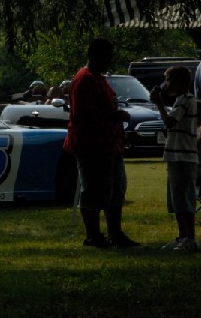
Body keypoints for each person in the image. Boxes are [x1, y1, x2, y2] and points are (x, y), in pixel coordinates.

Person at [64, 38, 140, 248]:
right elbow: (82, 115)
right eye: (106, 56)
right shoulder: (84, 79)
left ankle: (115, 233)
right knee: (94, 190)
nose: (109, 61)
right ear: (95, 56)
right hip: (92, 145)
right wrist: (114, 115)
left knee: (116, 188)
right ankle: (93, 235)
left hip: (109, 144)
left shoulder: (98, 78)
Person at [150, 66, 201, 252]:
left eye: (170, 80)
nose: (167, 84)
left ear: (182, 82)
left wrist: (158, 104)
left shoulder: (186, 101)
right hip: (177, 154)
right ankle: (182, 236)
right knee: (178, 197)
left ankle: (189, 237)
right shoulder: (182, 101)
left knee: (184, 197)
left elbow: (169, 122)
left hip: (183, 155)